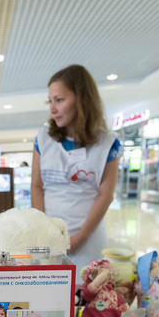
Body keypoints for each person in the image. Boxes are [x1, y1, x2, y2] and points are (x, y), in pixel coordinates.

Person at [31, 65, 120, 278]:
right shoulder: (43, 139)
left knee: (89, 299)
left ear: (81, 99)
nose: (52, 108)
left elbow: (105, 195)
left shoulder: (108, 143)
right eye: (50, 101)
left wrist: (80, 238)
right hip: (49, 239)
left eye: (59, 100)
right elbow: (36, 186)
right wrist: (46, 231)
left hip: (89, 240)